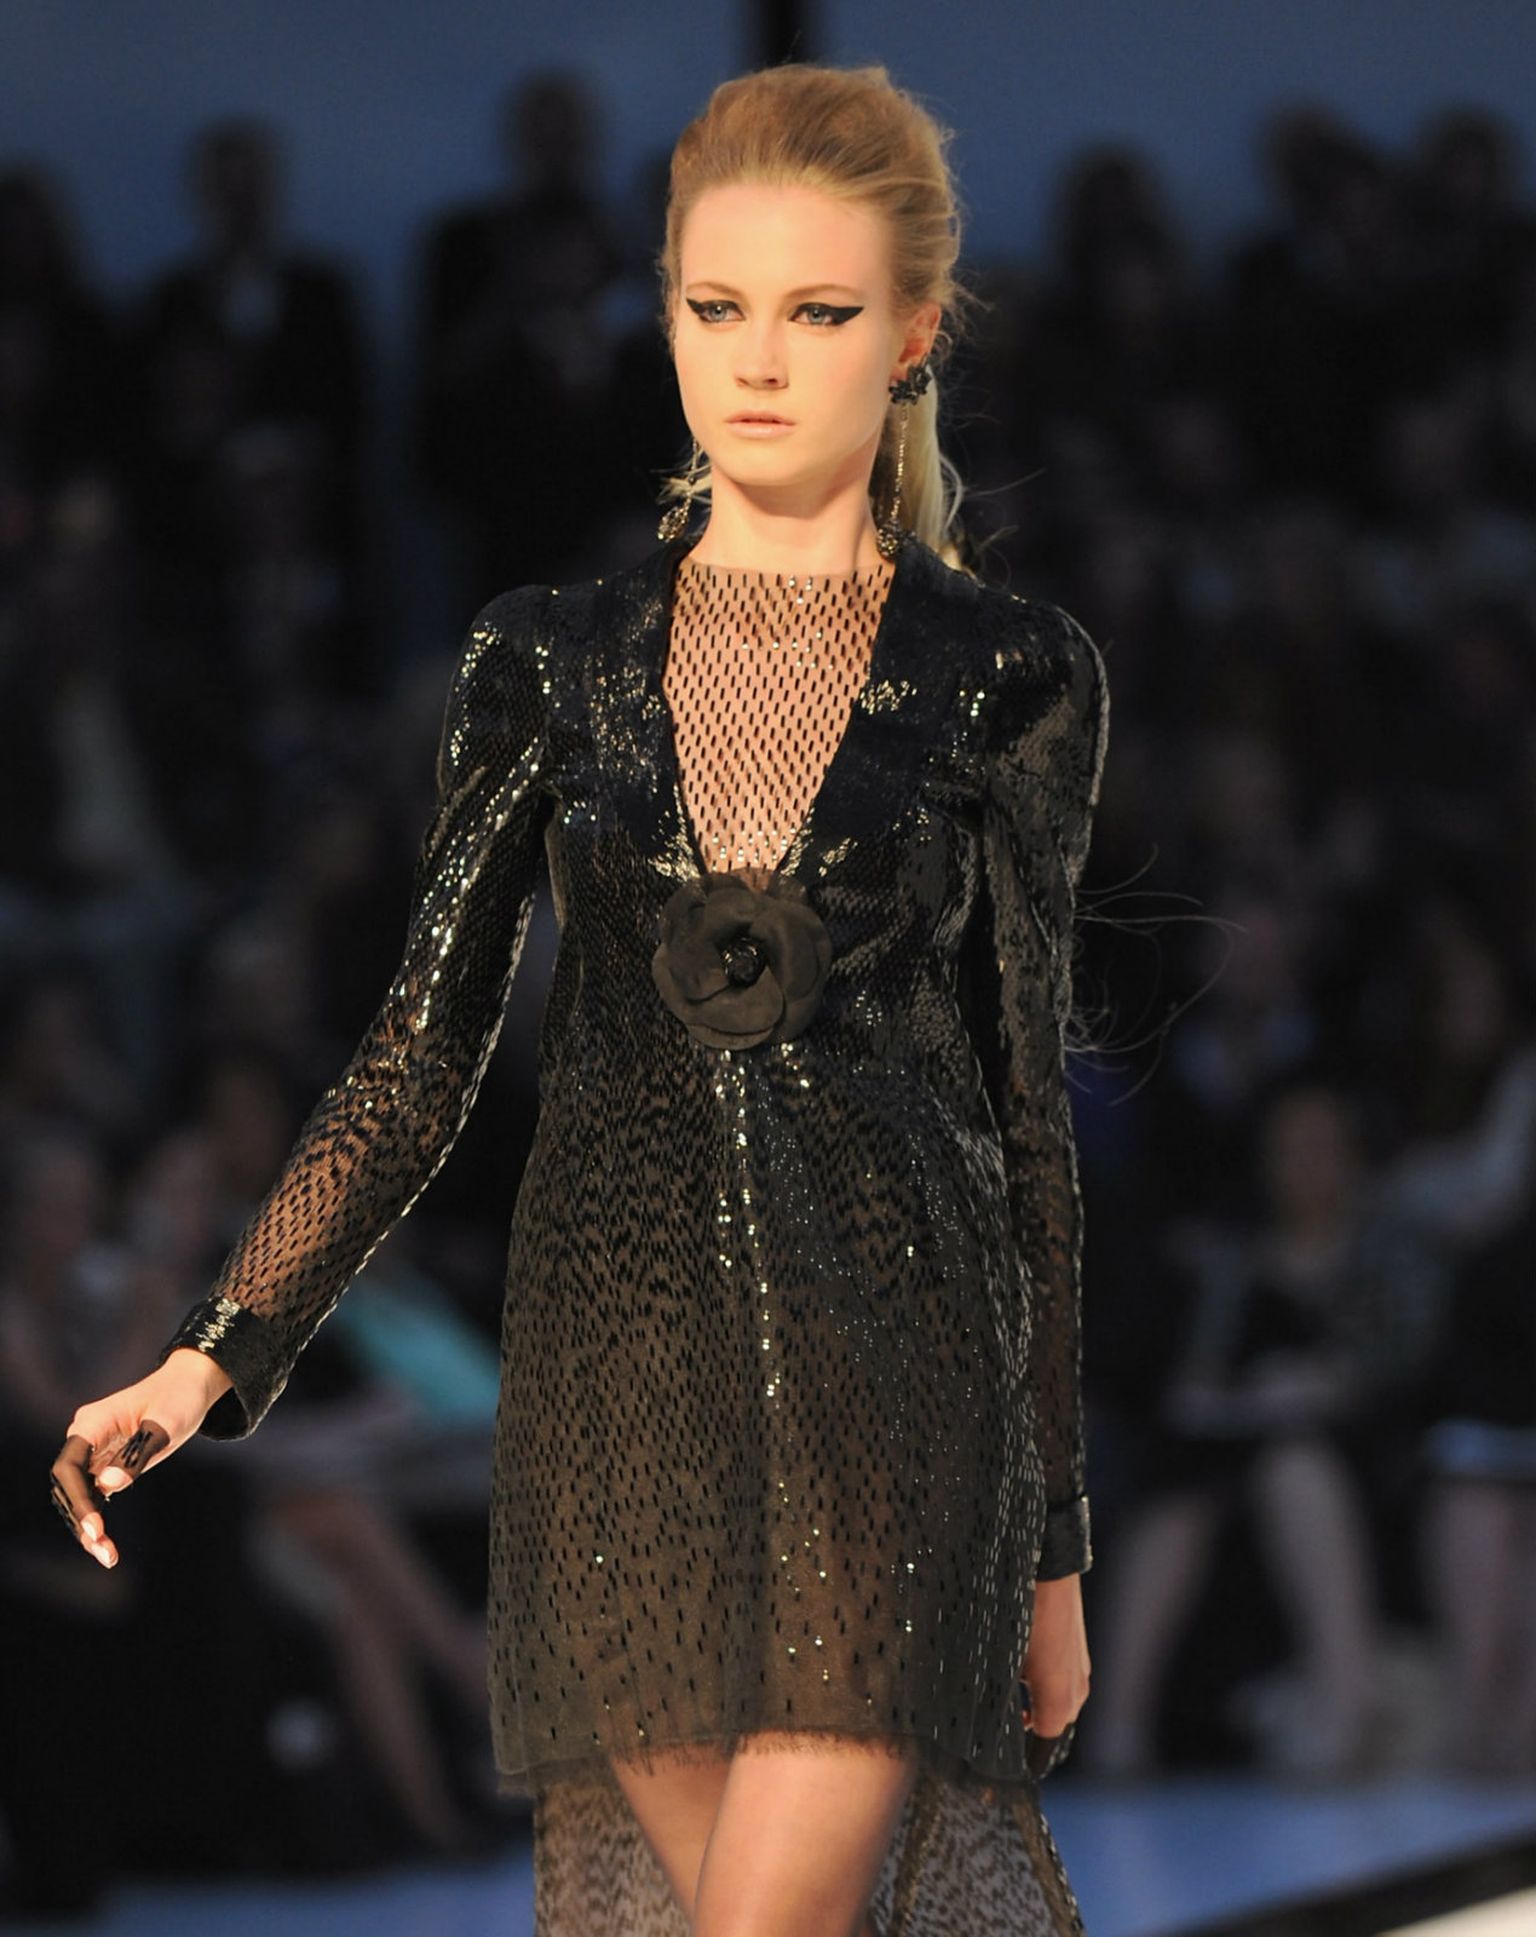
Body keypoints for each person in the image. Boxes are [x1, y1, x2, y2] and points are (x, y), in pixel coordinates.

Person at [52, 62, 1109, 1937]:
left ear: (915, 335)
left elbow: (1022, 1108)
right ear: (664, 315)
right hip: (618, 1409)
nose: (756, 360)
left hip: (902, 1390)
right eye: (714, 306)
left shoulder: (1007, 673)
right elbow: (418, 1052)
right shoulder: (550, 661)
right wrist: (217, 1349)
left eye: (818, 312)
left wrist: (1050, 1541)